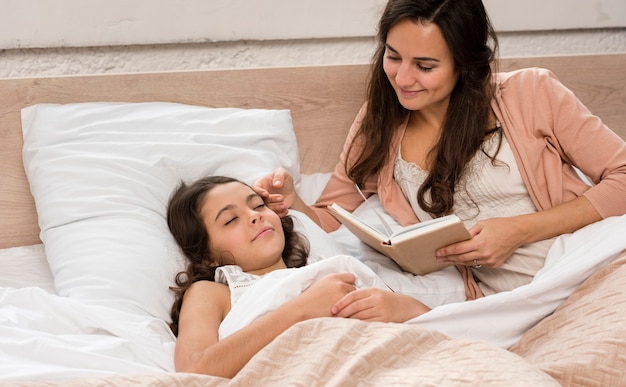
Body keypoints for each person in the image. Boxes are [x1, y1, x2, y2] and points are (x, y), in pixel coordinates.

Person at [254, 0, 626, 300]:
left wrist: (516, 231)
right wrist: (292, 201)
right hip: (510, 305)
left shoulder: (532, 93)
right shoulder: (379, 122)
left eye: (425, 66)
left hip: (592, 267)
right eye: (393, 56)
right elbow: (332, 216)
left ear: (465, 64)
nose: (402, 78)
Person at [166, 175, 429, 377]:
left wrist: (404, 306)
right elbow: (194, 370)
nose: (255, 216)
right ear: (207, 256)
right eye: (230, 220)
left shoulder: (326, 270)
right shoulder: (213, 292)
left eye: (258, 205)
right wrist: (302, 309)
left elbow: (430, 326)